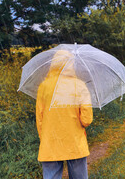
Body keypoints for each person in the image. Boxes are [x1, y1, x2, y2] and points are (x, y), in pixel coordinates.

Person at [36, 50, 93, 179]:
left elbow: (39, 118)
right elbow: (86, 119)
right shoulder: (79, 86)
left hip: (50, 142)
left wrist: (44, 137)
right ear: (71, 64)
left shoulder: (44, 86)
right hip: (74, 142)